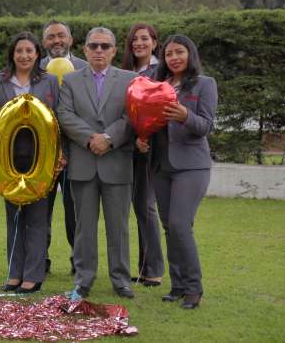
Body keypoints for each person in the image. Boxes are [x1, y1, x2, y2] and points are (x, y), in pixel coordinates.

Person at [136, 35, 218, 309]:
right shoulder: (158, 86)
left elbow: (206, 125)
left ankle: (194, 288)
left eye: (179, 52)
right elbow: (150, 121)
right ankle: (178, 285)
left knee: (181, 224)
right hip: (161, 165)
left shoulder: (204, 84)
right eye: (169, 54)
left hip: (192, 165)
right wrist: (143, 137)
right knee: (170, 227)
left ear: (190, 54)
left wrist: (185, 116)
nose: (174, 58)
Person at [57, 27, 136, 299]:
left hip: (117, 162)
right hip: (84, 162)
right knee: (84, 228)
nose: (99, 51)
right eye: (94, 46)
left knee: (119, 228)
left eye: (105, 46)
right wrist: (91, 138)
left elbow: (132, 117)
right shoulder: (70, 80)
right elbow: (64, 115)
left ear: (114, 50)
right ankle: (83, 279)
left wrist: (109, 138)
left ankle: (121, 280)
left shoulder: (130, 79)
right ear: (85, 50)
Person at [0, 32, 63, 294]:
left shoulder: (50, 81)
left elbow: (58, 122)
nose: (24, 55)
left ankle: (33, 274)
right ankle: (14, 273)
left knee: (38, 219)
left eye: (29, 51)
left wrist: (61, 155)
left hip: (42, 159)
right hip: (8, 160)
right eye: (19, 51)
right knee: (14, 218)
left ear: (38, 54)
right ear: (12, 54)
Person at [41, 20, 88, 275]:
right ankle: (40, 259)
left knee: (76, 211)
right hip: (42, 154)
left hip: (76, 153)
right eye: (51, 37)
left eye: (61, 36)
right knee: (40, 211)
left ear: (71, 39)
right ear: (44, 42)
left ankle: (78, 262)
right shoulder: (34, 68)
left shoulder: (85, 67)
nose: (56, 41)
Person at [121, 23, 164, 287]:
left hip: (151, 147)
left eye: (144, 39)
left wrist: (146, 137)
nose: (139, 43)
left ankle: (154, 269)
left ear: (155, 43)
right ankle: (144, 266)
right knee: (138, 207)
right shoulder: (125, 72)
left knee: (146, 207)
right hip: (130, 147)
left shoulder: (161, 71)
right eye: (135, 39)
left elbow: (163, 106)